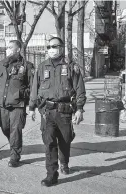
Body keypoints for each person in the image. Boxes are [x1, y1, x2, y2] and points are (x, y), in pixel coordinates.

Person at [29, 37, 86, 187]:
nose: (51, 49)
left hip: (64, 112)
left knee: (65, 140)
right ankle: (51, 175)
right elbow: (35, 89)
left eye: (54, 46)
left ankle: (64, 162)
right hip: (47, 111)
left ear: (61, 48)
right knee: (49, 143)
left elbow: (80, 89)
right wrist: (32, 108)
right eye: (48, 46)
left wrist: (79, 109)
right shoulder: (42, 67)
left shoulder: (71, 67)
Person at [0, 40, 34, 167]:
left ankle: (14, 156)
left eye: (10, 47)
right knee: (5, 127)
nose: (7, 50)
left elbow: (33, 86)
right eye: (7, 47)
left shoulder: (27, 66)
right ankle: (14, 143)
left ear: (18, 49)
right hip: (3, 104)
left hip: (18, 105)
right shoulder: (2, 64)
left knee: (15, 130)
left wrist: (25, 97)